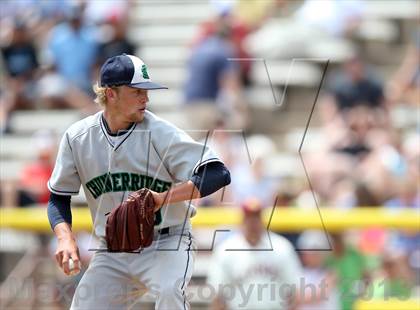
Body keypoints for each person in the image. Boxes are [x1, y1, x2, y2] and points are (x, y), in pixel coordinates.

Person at [46, 54, 231, 309]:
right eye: (137, 91)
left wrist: (161, 199)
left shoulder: (160, 132)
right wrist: (65, 238)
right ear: (111, 94)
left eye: (146, 91)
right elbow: (58, 198)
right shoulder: (78, 138)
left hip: (167, 242)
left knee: (169, 293)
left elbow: (218, 174)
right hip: (113, 249)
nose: (146, 98)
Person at [208, 198, 302, 309]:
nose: (253, 223)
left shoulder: (282, 247)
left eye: (256, 218)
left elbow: (295, 292)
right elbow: (217, 297)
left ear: (262, 220)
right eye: (249, 218)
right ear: (243, 220)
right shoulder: (225, 250)